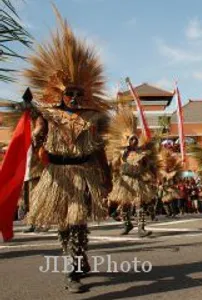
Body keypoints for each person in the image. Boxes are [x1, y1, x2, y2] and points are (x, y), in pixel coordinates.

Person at [23, 7, 112, 293]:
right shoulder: (47, 114)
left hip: (83, 174)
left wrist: (107, 176)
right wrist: (35, 138)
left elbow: (99, 150)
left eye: (78, 93)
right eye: (69, 93)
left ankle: (74, 269)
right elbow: (38, 133)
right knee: (64, 224)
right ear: (60, 94)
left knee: (78, 220)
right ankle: (74, 258)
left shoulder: (93, 117)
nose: (74, 98)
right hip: (57, 177)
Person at [107, 106, 157, 237]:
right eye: (131, 139)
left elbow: (149, 166)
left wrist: (149, 170)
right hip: (125, 181)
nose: (134, 141)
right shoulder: (121, 153)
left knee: (139, 203)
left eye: (135, 139)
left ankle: (141, 228)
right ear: (128, 140)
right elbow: (114, 165)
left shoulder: (142, 153)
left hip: (138, 181)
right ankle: (127, 224)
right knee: (124, 205)